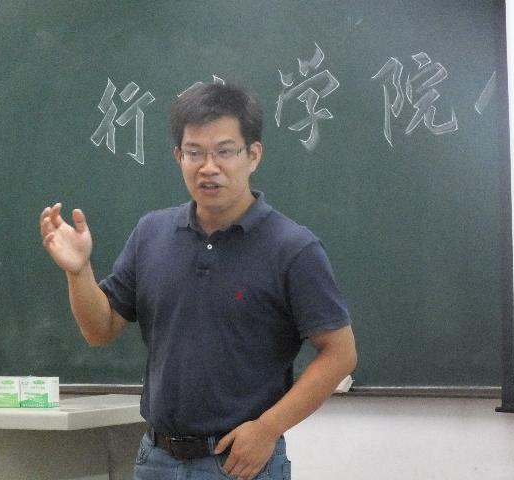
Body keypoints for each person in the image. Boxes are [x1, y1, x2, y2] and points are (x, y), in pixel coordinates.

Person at [40, 83, 357, 480]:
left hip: (239, 462)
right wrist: (79, 272)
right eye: (194, 153)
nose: (208, 167)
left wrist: (268, 428)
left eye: (224, 151)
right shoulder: (151, 233)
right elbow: (100, 330)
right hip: (156, 459)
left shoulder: (292, 248)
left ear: (253, 155)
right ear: (179, 156)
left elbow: (340, 354)